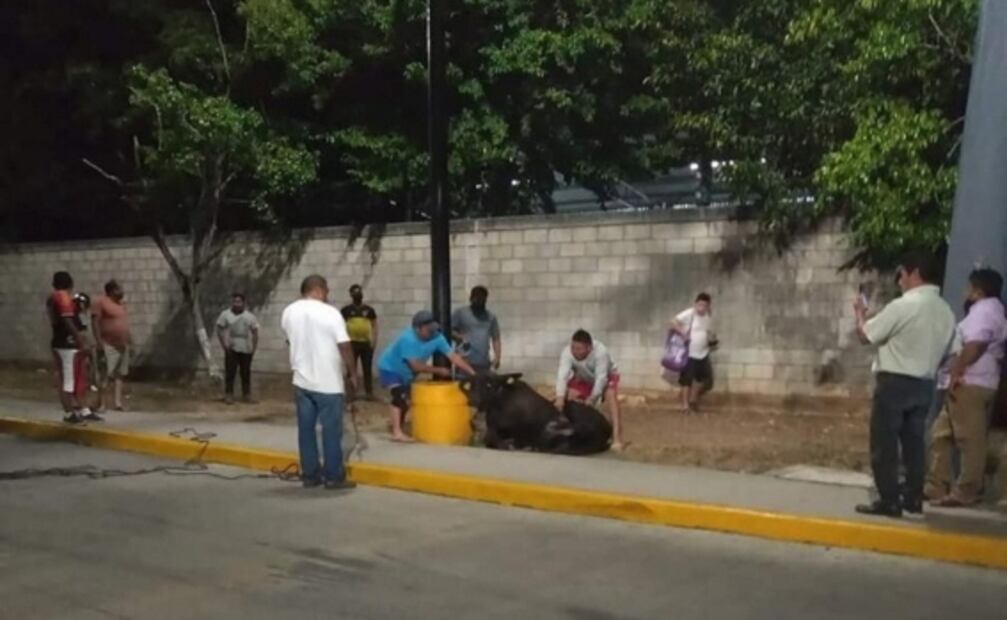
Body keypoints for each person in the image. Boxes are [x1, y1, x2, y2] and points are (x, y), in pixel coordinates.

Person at [853, 251, 956, 517]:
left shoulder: (904, 305)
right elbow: (953, 350)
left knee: (885, 443)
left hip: (895, 381)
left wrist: (860, 315)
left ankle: (889, 499)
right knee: (914, 445)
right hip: (925, 383)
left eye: (902, 273)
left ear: (914, 274)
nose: (899, 279)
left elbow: (868, 335)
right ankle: (913, 497)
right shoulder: (945, 310)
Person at [925, 268, 1007, 507]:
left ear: (978, 290)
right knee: (940, 435)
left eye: (969, 287)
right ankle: (936, 485)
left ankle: (967, 490)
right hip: (966, 383)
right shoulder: (992, 311)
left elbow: (976, 343)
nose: (966, 292)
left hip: (969, 383)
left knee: (969, 440)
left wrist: (957, 371)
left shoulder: (985, 311)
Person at [280, 275, 358, 490]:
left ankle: (310, 475)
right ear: (319, 289)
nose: (328, 294)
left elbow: (290, 340)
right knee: (331, 430)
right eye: (327, 290)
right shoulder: (330, 313)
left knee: (306, 430)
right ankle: (334, 476)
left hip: (302, 381)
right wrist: (353, 373)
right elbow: (344, 345)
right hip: (328, 383)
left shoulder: (289, 312)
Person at [377, 310, 477, 442]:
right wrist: (439, 370)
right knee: (399, 394)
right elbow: (415, 366)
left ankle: (398, 427)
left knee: (406, 400)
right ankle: (397, 432)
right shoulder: (408, 339)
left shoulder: (437, 337)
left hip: (406, 373)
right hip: (390, 367)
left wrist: (473, 374)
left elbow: (454, 357)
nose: (432, 333)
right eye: (428, 330)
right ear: (417, 329)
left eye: (433, 329)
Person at [554, 329, 625, 450]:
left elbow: (601, 378)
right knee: (568, 395)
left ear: (589, 348)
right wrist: (560, 397)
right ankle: (573, 432)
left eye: (579, 349)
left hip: (607, 377)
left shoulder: (601, 352)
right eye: (573, 347)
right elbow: (562, 375)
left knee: (611, 395)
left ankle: (617, 437)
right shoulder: (567, 352)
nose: (575, 352)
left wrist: (592, 399)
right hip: (583, 377)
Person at [46, 271, 98, 423]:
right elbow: (68, 321)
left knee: (76, 377)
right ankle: (70, 413)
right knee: (69, 379)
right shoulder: (62, 297)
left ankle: (83, 409)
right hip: (67, 344)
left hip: (59, 341)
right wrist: (80, 342)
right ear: (70, 283)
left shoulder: (51, 298)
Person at [671, 293, 717, 414]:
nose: (701, 308)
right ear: (696, 304)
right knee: (687, 380)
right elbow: (673, 321)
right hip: (689, 353)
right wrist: (683, 333)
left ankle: (693, 399)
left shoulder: (708, 316)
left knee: (707, 380)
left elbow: (708, 331)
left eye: (704, 305)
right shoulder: (689, 313)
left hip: (703, 353)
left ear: (708, 306)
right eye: (699, 304)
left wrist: (712, 339)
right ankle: (685, 406)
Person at [92, 280, 131, 412]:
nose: (122, 292)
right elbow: (95, 322)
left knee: (119, 374)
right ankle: (101, 404)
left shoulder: (121, 305)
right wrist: (99, 342)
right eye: (119, 289)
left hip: (122, 345)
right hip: (108, 344)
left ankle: (117, 403)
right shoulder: (101, 302)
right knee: (105, 374)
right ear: (112, 290)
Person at [216, 293, 260, 404]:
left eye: (239, 302)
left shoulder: (249, 316)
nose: (236, 304)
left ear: (243, 303)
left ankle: (247, 395)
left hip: (246, 346)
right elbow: (219, 329)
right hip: (232, 346)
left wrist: (253, 348)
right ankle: (229, 394)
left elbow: (255, 332)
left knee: (245, 372)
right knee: (230, 372)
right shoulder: (225, 314)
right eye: (234, 302)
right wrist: (224, 345)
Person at [452, 285, 502, 374]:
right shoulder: (460, 313)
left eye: (482, 298)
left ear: (485, 299)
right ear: (471, 298)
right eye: (477, 298)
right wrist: (459, 337)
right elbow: (448, 331)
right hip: (464, 362)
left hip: (484, 363)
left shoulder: (490, 317)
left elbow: (496, 338)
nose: (479, 300)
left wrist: (497, 357)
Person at [341, 284, 379, 399]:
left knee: (367, 368)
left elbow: (375, 325)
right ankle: (351, 393)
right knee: (351, 368)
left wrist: (374, 340)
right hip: (352, 343)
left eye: (359, 292)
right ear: (351, 295)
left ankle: (369, 393)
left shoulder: (369, 310)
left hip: (366, 343)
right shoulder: (346, 310)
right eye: (355, 292)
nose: (357, 294)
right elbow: (339, 325)